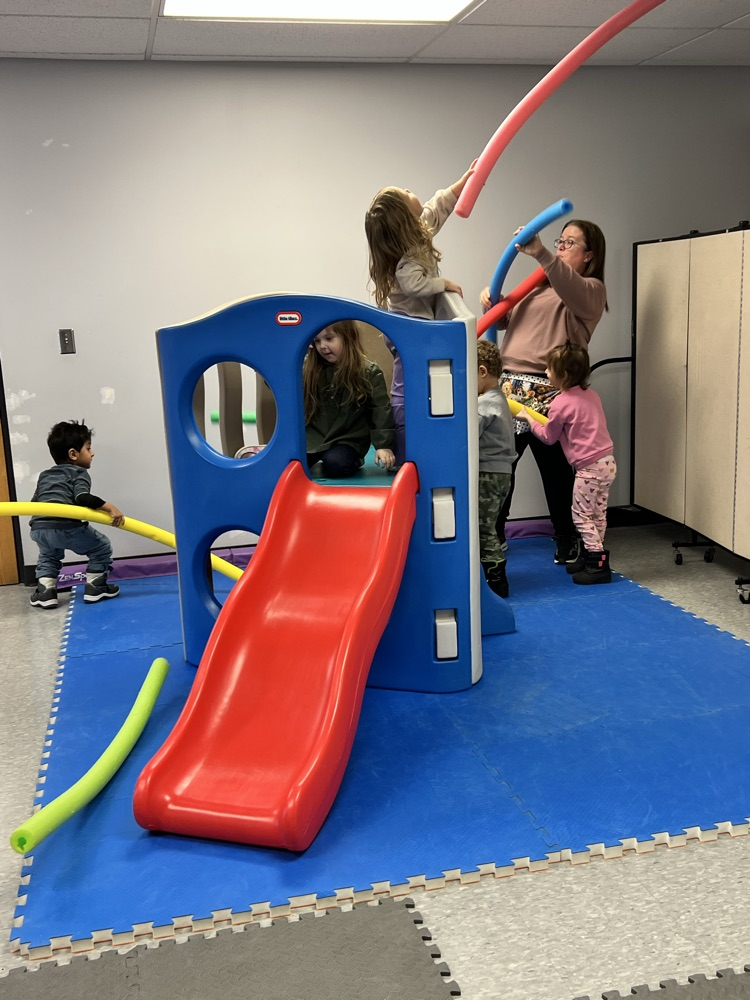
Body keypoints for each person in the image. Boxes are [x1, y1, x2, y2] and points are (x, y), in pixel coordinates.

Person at [480, 219, 607, 566]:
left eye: (569, 243)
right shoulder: (537, 286)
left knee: (555, 471)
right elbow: (505, 321)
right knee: (499, 466)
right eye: (559, 241)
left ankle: (567, 537)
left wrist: (540, 252)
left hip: (549, 390)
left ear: (589, 255)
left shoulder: (591, 290)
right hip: (509, 386)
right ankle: (494, 535)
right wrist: (492, 301)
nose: (561, 247)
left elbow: (570, 286)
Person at [364, 163, 475, 464]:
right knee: (405, 388)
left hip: (416, 328)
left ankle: (420, 440)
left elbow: (438, 208)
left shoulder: (415, 234)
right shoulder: (407, 259)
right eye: (406, 193)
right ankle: (401, 446)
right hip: (409, 328)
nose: (411, 191)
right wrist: (443, 284)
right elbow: (413, 286)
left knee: (424, 385)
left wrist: (462, 183)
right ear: (405, 219)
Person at [516, 343, 616, 585]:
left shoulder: (560, 403)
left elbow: (548, 437)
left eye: (549, 369)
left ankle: (597, 563)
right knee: (597, 514)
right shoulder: (592, 395)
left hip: (589, 468)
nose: (546, 372)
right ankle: (591, 555)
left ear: (564, 375)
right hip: (607, 463)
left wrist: (529, 418)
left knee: (581, 516)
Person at [29, 420, 125, 609]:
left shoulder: (45, 475)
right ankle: (96, 587)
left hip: (39, 528)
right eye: (88, 448)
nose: (92, 453)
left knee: (48, 555)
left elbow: (34, 503)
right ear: (73, 454)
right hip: (66, 527)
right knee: (101, 547)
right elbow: (82, 497)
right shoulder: (78, 472)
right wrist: (109, 507)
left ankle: (45, 592)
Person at [304, 320, 396, 478]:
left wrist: (383, 445)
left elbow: (380, 410)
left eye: (329, 339)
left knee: (336, 464)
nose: (322, 346)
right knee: (290, 461)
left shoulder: (368, 372)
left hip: (347, 439)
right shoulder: (308, 369)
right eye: (317, 341)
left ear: (347, 337)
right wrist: (296, 355)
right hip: (314, 437)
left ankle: (352, 460)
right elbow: (282, 385)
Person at [477, 340, 516, 598]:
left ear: (482, 371)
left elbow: (467, 435)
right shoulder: (500, 399)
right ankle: (494, 578)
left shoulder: (484, 404)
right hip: (502, 473)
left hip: (488, 474)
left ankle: (497, 583)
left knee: (484, 529)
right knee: (489, 526)